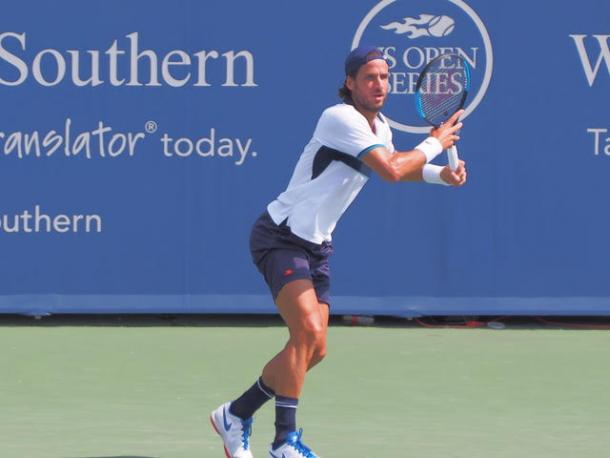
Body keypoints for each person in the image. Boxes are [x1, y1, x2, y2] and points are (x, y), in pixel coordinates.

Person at [210, 45, 467, 458]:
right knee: (307, 333)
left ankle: (235, 414)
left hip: (317, 244)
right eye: (369, 77)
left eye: (384, 77)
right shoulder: (340, 118)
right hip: (282, 235)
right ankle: (284, 442)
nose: (379, 84)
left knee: (314, 349)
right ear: (350, 83)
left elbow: (400, 164)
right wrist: (434, 143)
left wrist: (442, 175)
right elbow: (390, 169)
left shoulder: (379, 128)